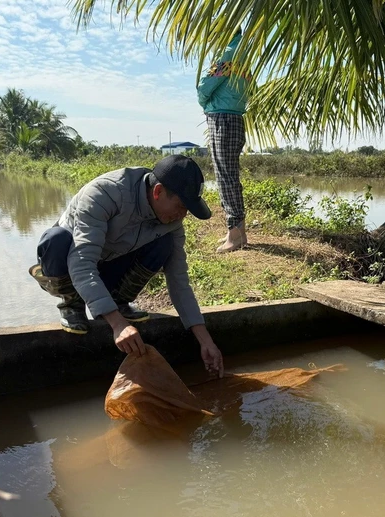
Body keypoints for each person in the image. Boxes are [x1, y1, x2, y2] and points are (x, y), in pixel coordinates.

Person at [29, 154, 224, 377]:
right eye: (180, 206)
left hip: (108, 265)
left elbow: (179, 280)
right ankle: (71, 304)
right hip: (68, 266)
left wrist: (205, 340)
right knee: (56, 239)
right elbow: (82, 263)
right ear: (158, 191)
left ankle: (118, 300)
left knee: (164, 244)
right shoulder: (105, 194)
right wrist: (117, 324)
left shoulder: (172, 223)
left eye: (187, 210)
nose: (183, 215)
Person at [197, 27, 251, 253]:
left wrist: (203, 100)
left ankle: (235, 234)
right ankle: (238, 232)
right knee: (229, 176)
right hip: (235, 117)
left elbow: (204, 86)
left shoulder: (228, 54)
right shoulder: (246, 54)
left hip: (223, 119)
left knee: (225, 177)